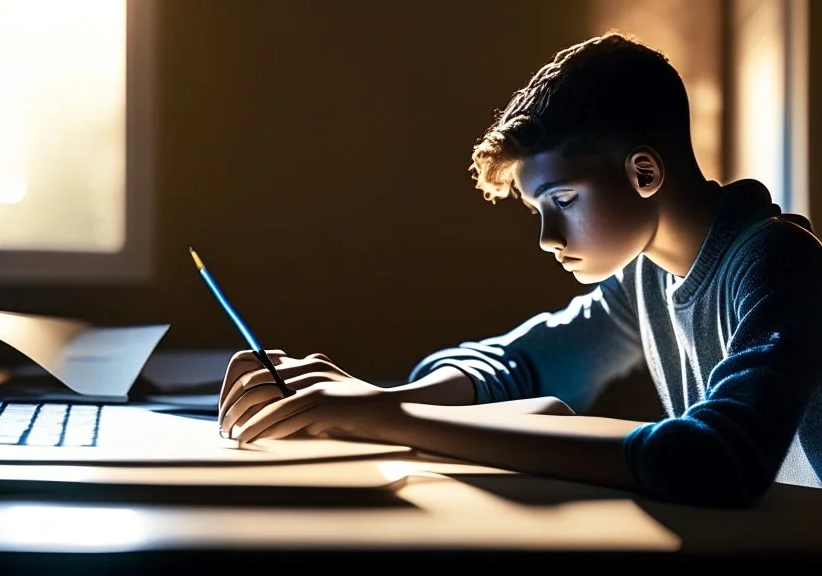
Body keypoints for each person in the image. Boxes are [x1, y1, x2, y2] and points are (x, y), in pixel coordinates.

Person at [216, 32, 822, 508]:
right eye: (538, 210)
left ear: (644, 174)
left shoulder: (777, 262)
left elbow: (719, 462)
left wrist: (393, 419)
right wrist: (386, 401)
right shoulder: (647, 275)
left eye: (562, 201)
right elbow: (522, 365)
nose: (547, 238)